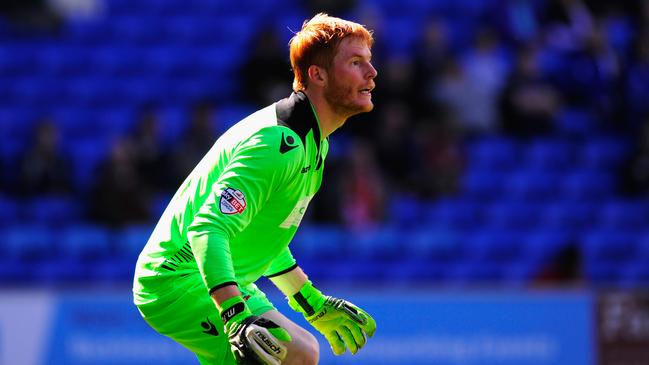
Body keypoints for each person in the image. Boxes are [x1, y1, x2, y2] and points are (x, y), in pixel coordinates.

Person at [133, 13, 377, 365]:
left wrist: (309, 300)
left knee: (303, 353)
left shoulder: (314, 144)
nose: (372, 73)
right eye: (356, 63)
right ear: (317, 75)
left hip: (221, 273)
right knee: (283, 355)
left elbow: (262, 235)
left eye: (369, 62)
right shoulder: (276, 144)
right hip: (176, 280)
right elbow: (207, 228)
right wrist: (234, 316)